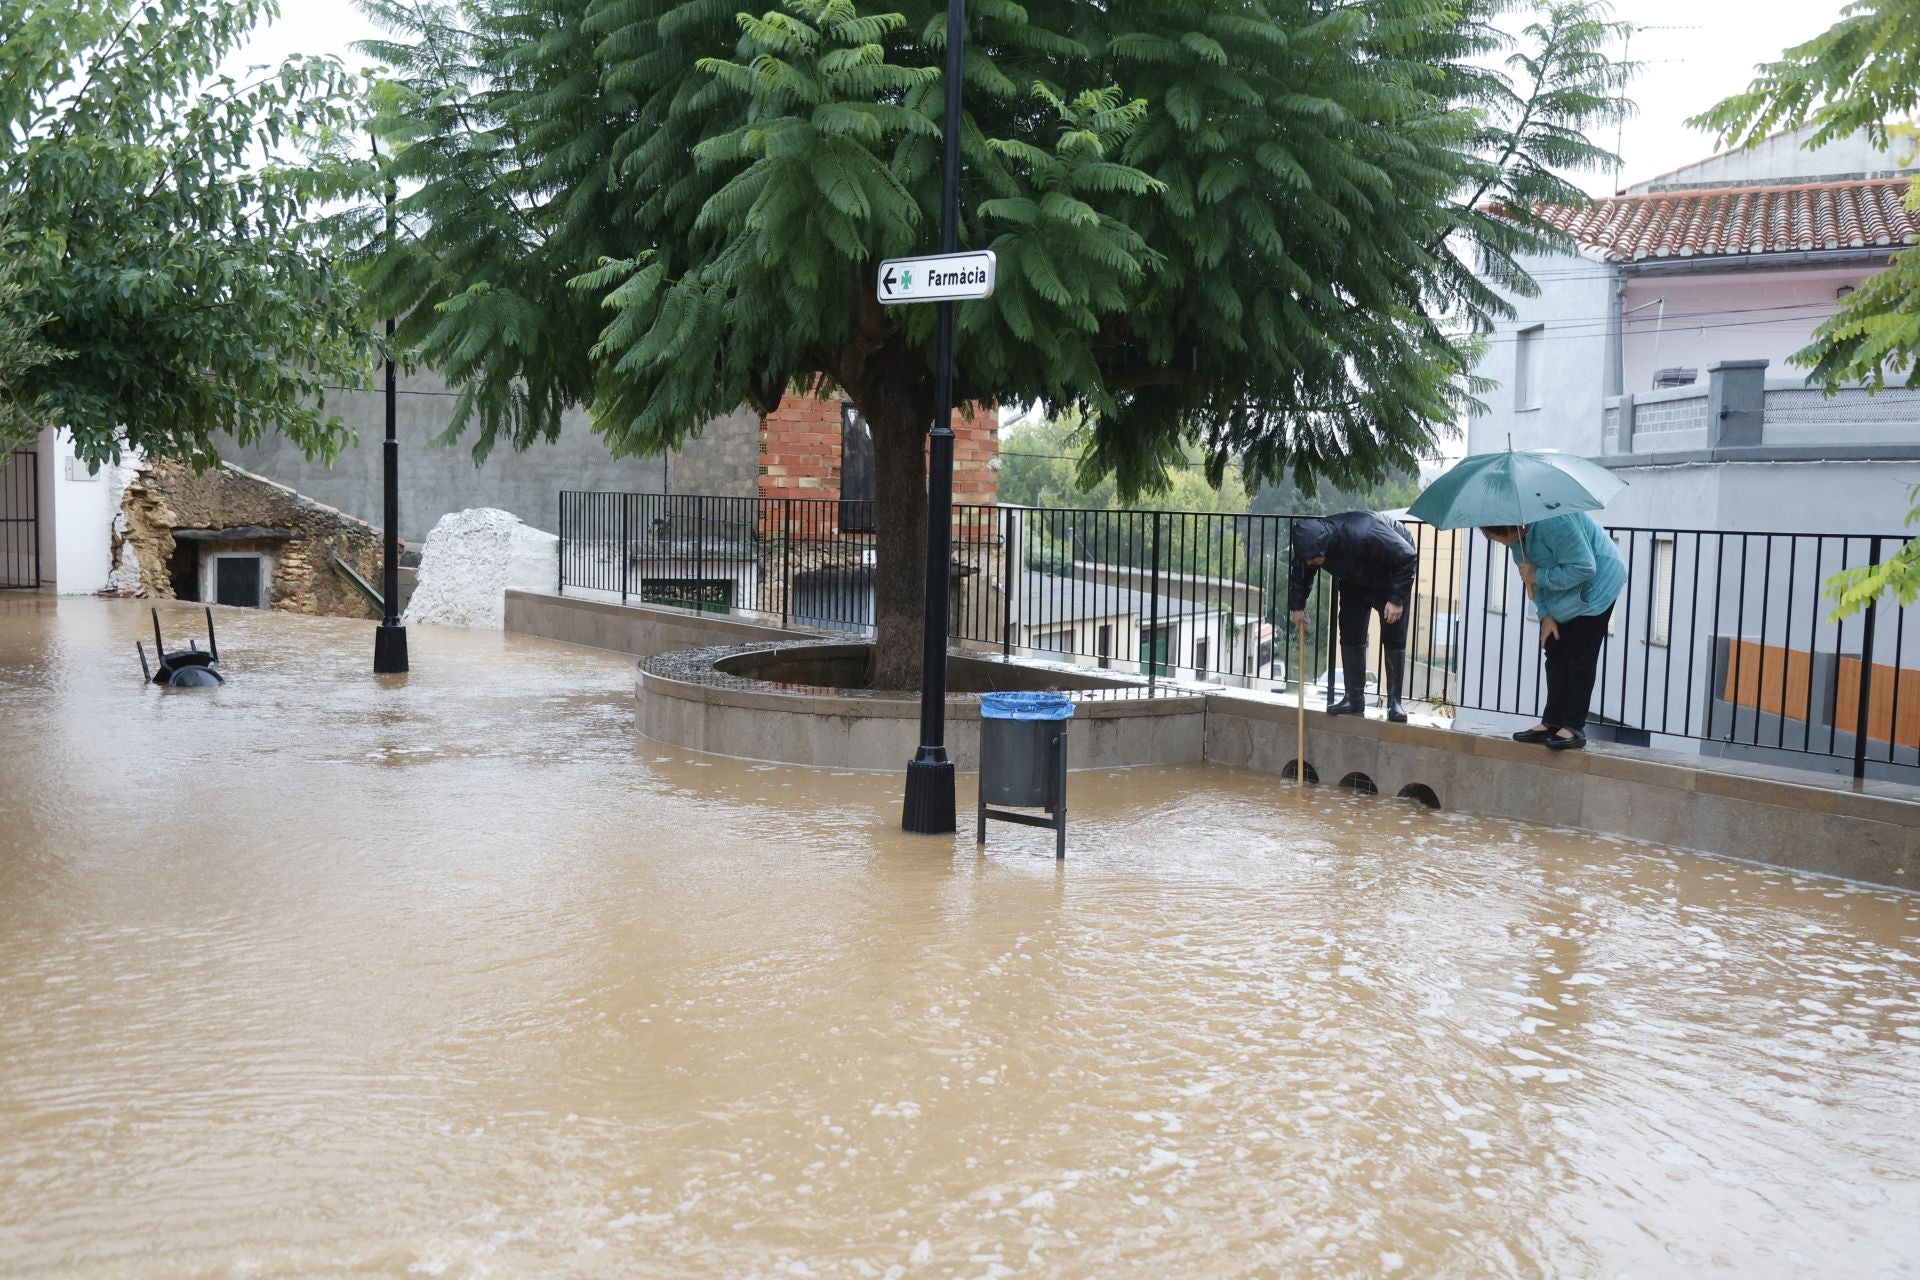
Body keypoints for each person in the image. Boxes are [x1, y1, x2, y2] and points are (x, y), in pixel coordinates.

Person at [1481, 512, 1627, 751]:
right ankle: (1552, 722)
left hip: (1599, 584)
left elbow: (1584, 567)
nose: (1488, 536)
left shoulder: (1556, 522)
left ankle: (1573, 727)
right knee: (1555, 650)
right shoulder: (1516, 538)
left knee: (1580, 656)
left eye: (1490, 532)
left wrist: (1538, 575)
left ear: (1507, 525)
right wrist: (1545, 615)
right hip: (1565, 590)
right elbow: (1529, 579)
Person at [1288, 512, 1419, 722]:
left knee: (1393, 633)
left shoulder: (1364, 531)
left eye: (1315, 559)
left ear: (1326, 546)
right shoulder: (1309, 546)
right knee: (1349, 629)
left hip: (1390, 571)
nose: (1311, 563)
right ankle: (1354, 697)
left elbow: (1407, 555)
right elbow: (1301, 571)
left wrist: (1396, 598)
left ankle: (1395, 702)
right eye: (1308, 559)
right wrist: (1297, 606)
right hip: (1353, 575)